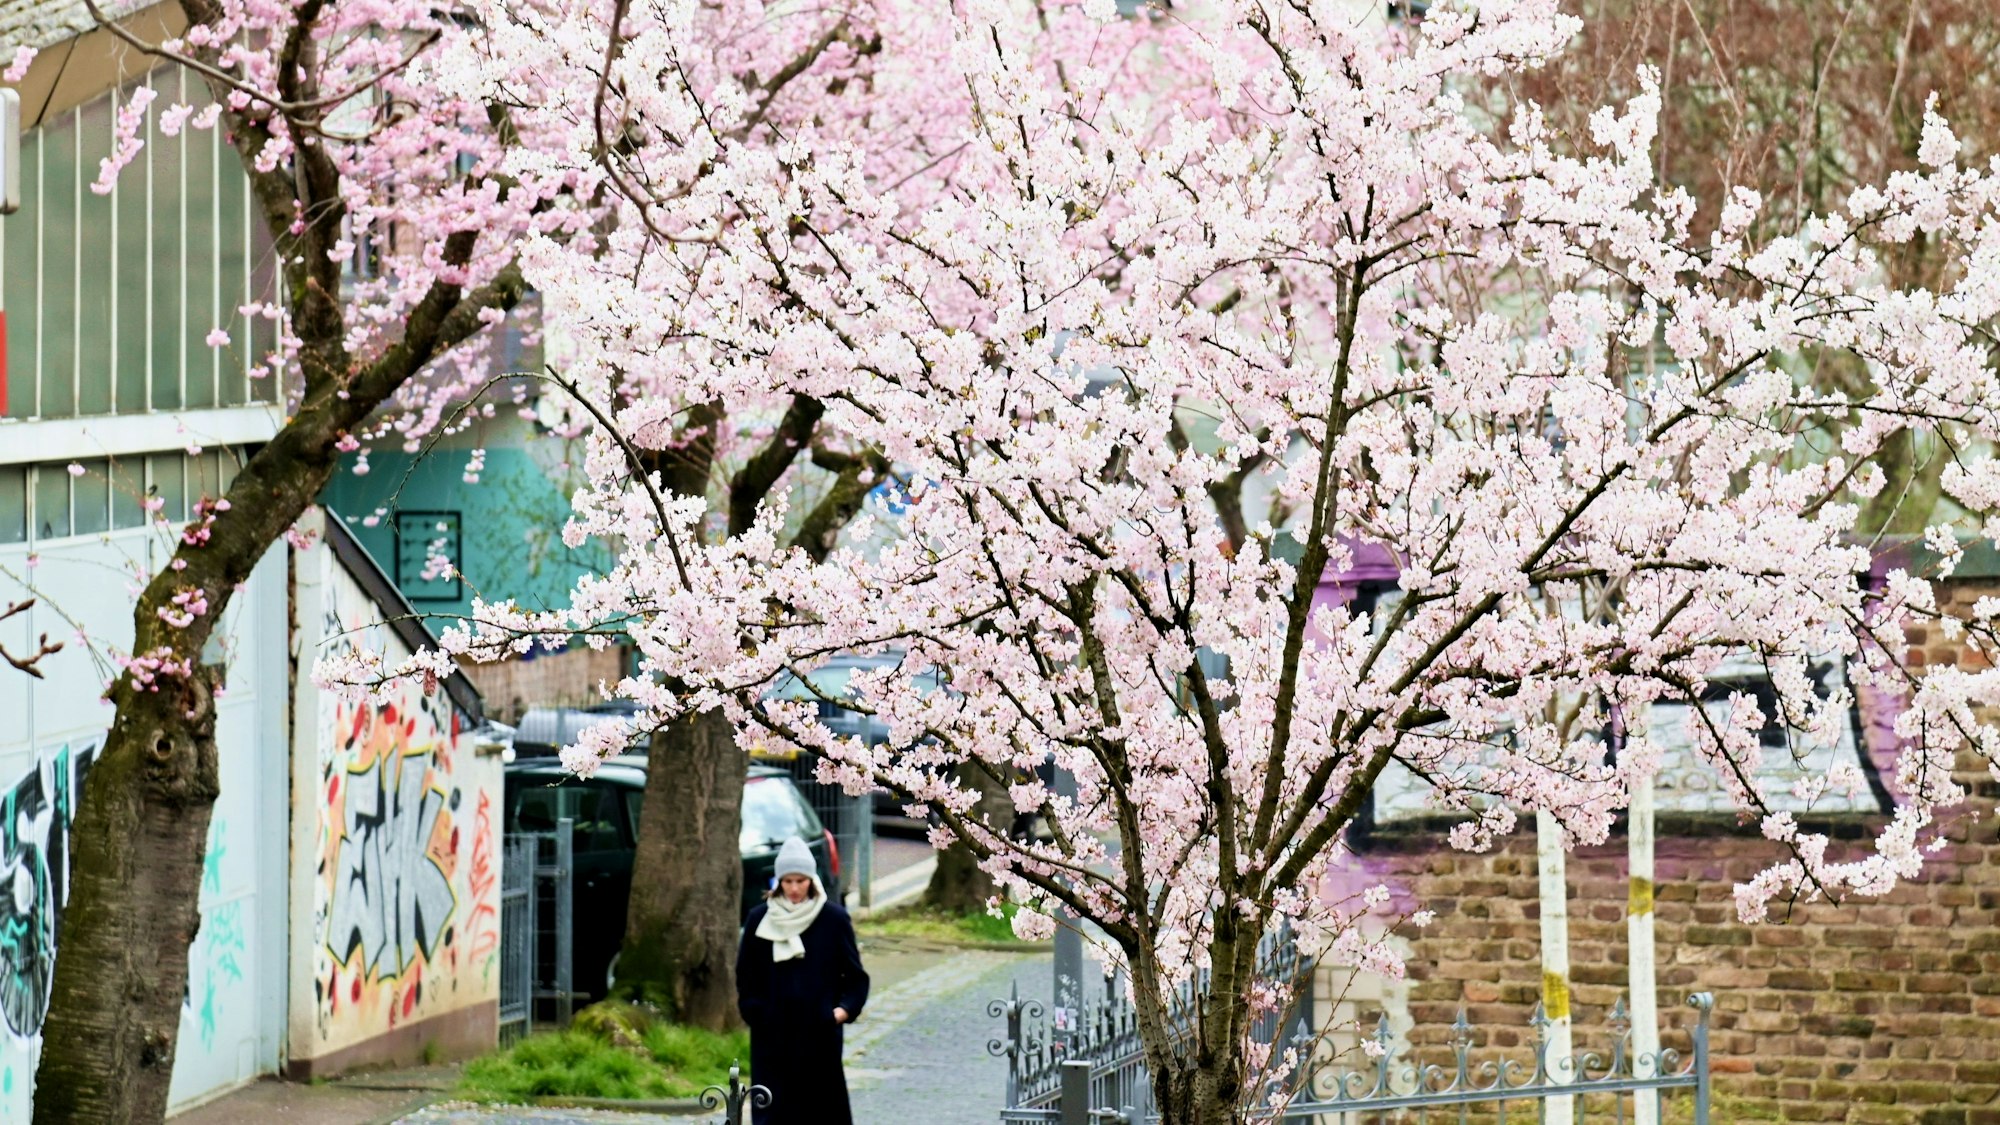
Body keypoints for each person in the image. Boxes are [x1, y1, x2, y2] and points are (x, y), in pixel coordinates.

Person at [736, 836, 870, 1125]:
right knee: (774, 1113)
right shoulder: (760, 919)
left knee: (821, 1113)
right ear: (778, 882)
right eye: (787, 881)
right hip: (772, 1036)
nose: (794, 889)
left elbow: (856, 977)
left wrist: (840, 1012)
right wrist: (757, 1013)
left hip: (818, 1035)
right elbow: (745, 976)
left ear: (811, 879)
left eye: (800, 881)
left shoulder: (833, 919)